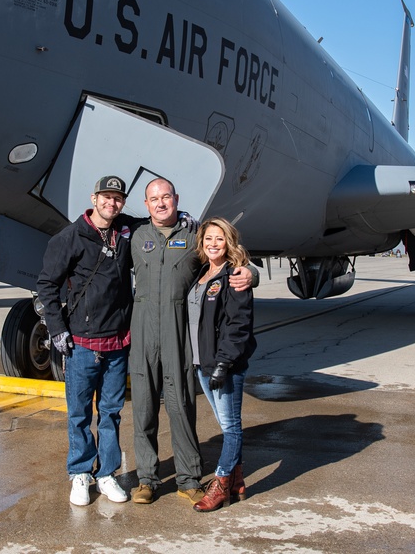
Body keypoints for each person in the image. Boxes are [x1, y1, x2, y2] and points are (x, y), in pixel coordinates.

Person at [129, 177, 257, 505]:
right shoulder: (136, 235)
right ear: (146, 205)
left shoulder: (193, 236)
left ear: (176, 198)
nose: (160, 203)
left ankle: (188, 477)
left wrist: (250, 273)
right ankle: (146, 479)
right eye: (154, 199)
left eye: (166, 197)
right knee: (143, 407)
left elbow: (225, 255)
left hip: (179, 334)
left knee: (181, 405)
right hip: (143, 332)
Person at [35, 175, 135, 506]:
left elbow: (156, 223)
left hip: (118, 344)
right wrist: (56, 328)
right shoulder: (70, 238)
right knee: (79, 414)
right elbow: (47, 284)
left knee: (111, 413)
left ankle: (106, 474)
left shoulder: (125, 230)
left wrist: (182, 219)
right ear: (94, 198)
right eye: (106, 197)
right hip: (82, 345)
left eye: (118, 198)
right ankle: (80, 473)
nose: (112, 203)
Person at [188, 217, 257, 512]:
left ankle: (220, 484)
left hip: (223, 365)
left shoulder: (234, 275)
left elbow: (238, 324)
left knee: (231, 427)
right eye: (208, 238)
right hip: (203, 362)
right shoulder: (204, 272)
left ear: (229, 242)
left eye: (219, 238)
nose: (213, 243)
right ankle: (238, 479)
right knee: (225, 424)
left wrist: (224, 363)